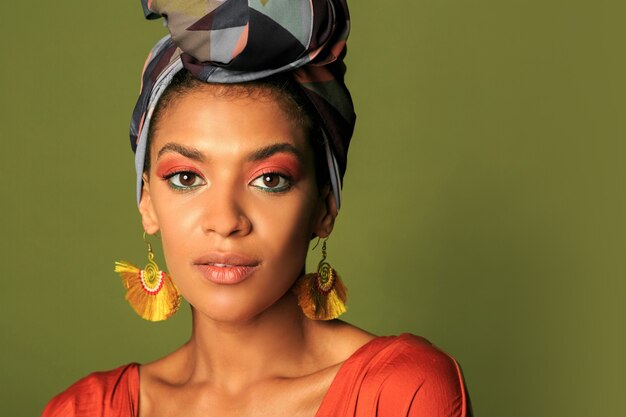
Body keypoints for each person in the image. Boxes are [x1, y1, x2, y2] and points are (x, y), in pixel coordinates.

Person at [42, 1, 472, 416]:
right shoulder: (84, 410)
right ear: (147, 202)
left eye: (270, 179)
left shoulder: (402, 392)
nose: (226, 221)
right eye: (187, 178)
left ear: (325, 206)